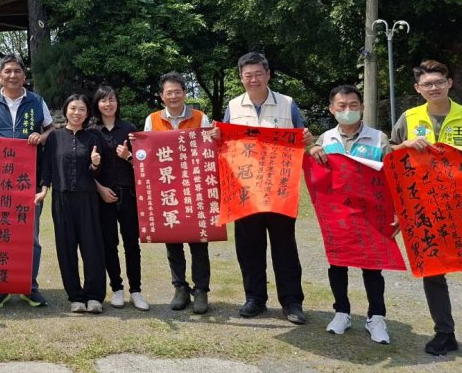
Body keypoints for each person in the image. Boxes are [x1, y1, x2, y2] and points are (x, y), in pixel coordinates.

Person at [390, 59, 462, 365]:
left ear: (449, 83)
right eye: (426, 84)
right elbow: (391, 158)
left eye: (438, 82)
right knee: (433, 273)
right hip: (425, 211)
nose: (433, 88)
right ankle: (444, 333)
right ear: (418, 89)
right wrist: (404, 145)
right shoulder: (408, 118)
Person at [223, 52, 314, 324]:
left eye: (258, 74)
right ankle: (255, 298)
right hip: (245, 190)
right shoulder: (234, 106)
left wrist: (307, 138)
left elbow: (302, 137)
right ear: (241, 78)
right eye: (247, 75)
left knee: (284, 246)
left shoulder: (287, 104)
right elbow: (226, 143)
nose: (253, 79)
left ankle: (292, 302)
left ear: (268, 75)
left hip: (279, 190)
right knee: (248, 246)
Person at [308, 84, 393, 344]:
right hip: (338, 215)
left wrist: (397, 212)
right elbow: (316, 176)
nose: (347, 110)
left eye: (353, 106)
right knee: (338, 263)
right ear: (332, 110)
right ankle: (341, 312)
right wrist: (311, 149)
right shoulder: (325, 140)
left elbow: (392, 178)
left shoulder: (379, 138)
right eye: (341, 106)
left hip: (370, 215)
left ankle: (376, 317)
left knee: (372, 267)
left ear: (362, 107)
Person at [0, 54, 54, 308]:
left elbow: (51, 128)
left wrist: (42, 137)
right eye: (7, 71)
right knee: (0, 232)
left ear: (24, 75)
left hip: (29, 179)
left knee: (30, 236)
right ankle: (2, 284)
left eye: (17, 71)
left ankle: (30, 285)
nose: (12, 75)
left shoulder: (36, 101)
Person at [143, 72, 213, 314]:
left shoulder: (200, 117)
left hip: (194, 187)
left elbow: (208, 150)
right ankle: (180, 287)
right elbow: (148, 155)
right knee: (172, 240)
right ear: (161, 96)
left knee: (198, 240)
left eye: (177, 92)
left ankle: (201, 289)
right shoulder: (152, 120)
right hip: (166, 187)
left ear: (184, 93)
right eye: (168, 92)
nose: (173, 96)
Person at [40, 94, 106, 313]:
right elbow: (47, 166)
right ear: (66, 110)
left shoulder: (93, 137)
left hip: (88, 198)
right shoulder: (54, 138)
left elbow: (97, 172)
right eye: (73, 108)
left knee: (92, 247)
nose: (77, 113)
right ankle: (75, 296)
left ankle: (94, 296)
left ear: (87, 113)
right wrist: (43, 189)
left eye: (82, 110)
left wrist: (95, 164)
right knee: (66, 248)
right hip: (62, 197)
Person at [90, 85, 147, 311]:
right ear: (97, 104)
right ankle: (117, 289)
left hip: (129, 194)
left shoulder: (129, 129)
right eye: (103, 100)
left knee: (132, 244)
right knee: (109, 244)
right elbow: (87, 167)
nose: (108, 104)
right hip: (103, 195)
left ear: (117, 102)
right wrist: (100, 189)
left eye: (112, 99)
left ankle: (136, 291)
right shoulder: (92, 131)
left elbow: (144, 164)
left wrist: (129, 156)